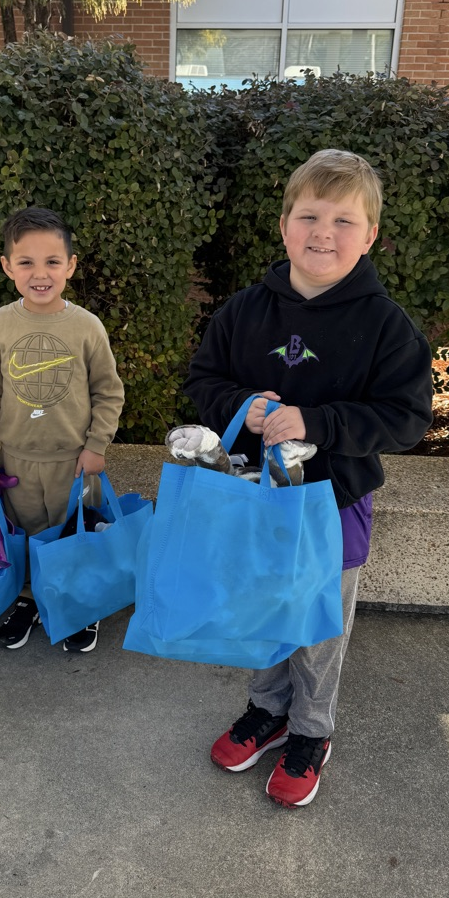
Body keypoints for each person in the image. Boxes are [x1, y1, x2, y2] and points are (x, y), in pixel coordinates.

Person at [183, 149, 433, 808]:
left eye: (344, 220)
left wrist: (314, 421)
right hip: (257, 499)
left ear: (371, 234)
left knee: (318, 624)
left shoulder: (386, 325)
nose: (324, 232)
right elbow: (203, 381)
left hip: (334, 500)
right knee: (266, 605)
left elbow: (404, 419)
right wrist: (243, 408)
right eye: (310, 215)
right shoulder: (244, 310)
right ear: (285, 225)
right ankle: (267, 709)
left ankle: (312, 731)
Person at [0, 206, 124, 654]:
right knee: (27, 535)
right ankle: (30, 598)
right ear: (7, 267)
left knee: (75, 534)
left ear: (71, 265)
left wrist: (97, 446)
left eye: (53, 261)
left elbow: (108, 393)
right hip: (16, 458)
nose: (41, 273)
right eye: (26, 262)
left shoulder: (85, 326)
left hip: (74, 462)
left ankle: (78, 604)